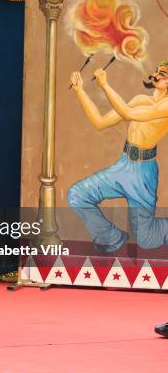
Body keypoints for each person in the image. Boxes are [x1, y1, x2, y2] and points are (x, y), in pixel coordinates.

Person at [68, 63, 168, 252]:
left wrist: (105, 85)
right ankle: (112, 238)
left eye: (162, 74)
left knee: (147, 240)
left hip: (143, 174)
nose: (155, 75)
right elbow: (100, 122)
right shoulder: (141, 100)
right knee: (77, 194)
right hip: (123, 165)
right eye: (157, 71)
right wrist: (80, 91)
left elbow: (127, 113)